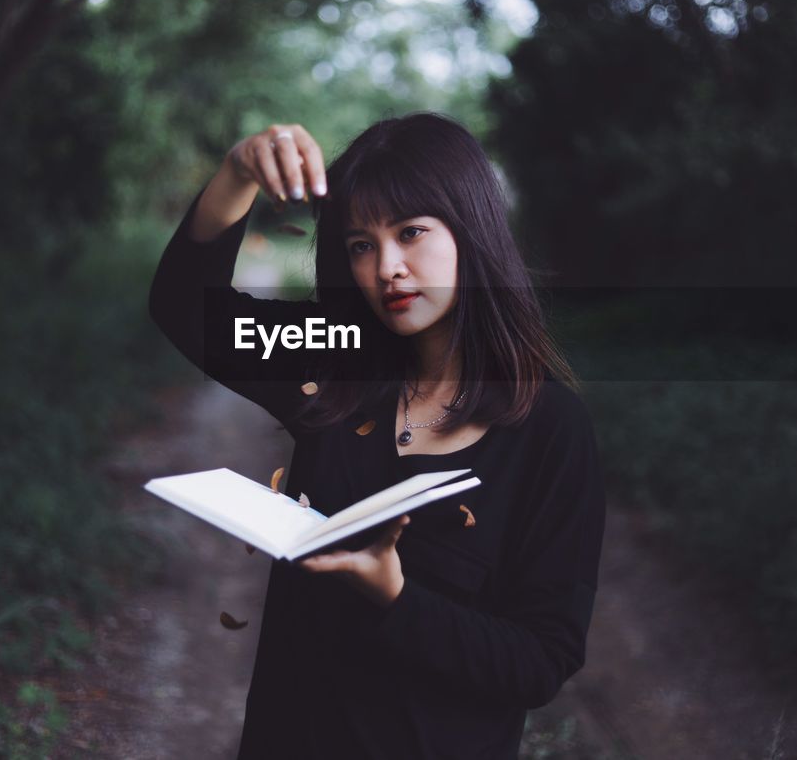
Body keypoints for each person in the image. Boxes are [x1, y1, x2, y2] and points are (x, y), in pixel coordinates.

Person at [148, 112, 605, 759]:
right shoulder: (335, 361)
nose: (387, 266)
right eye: (361, 244)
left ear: (471, 229)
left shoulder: (550, 429)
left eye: (411, 232)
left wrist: (393, 597)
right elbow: (182, 307)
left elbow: (539, 661)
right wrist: (238, 172)